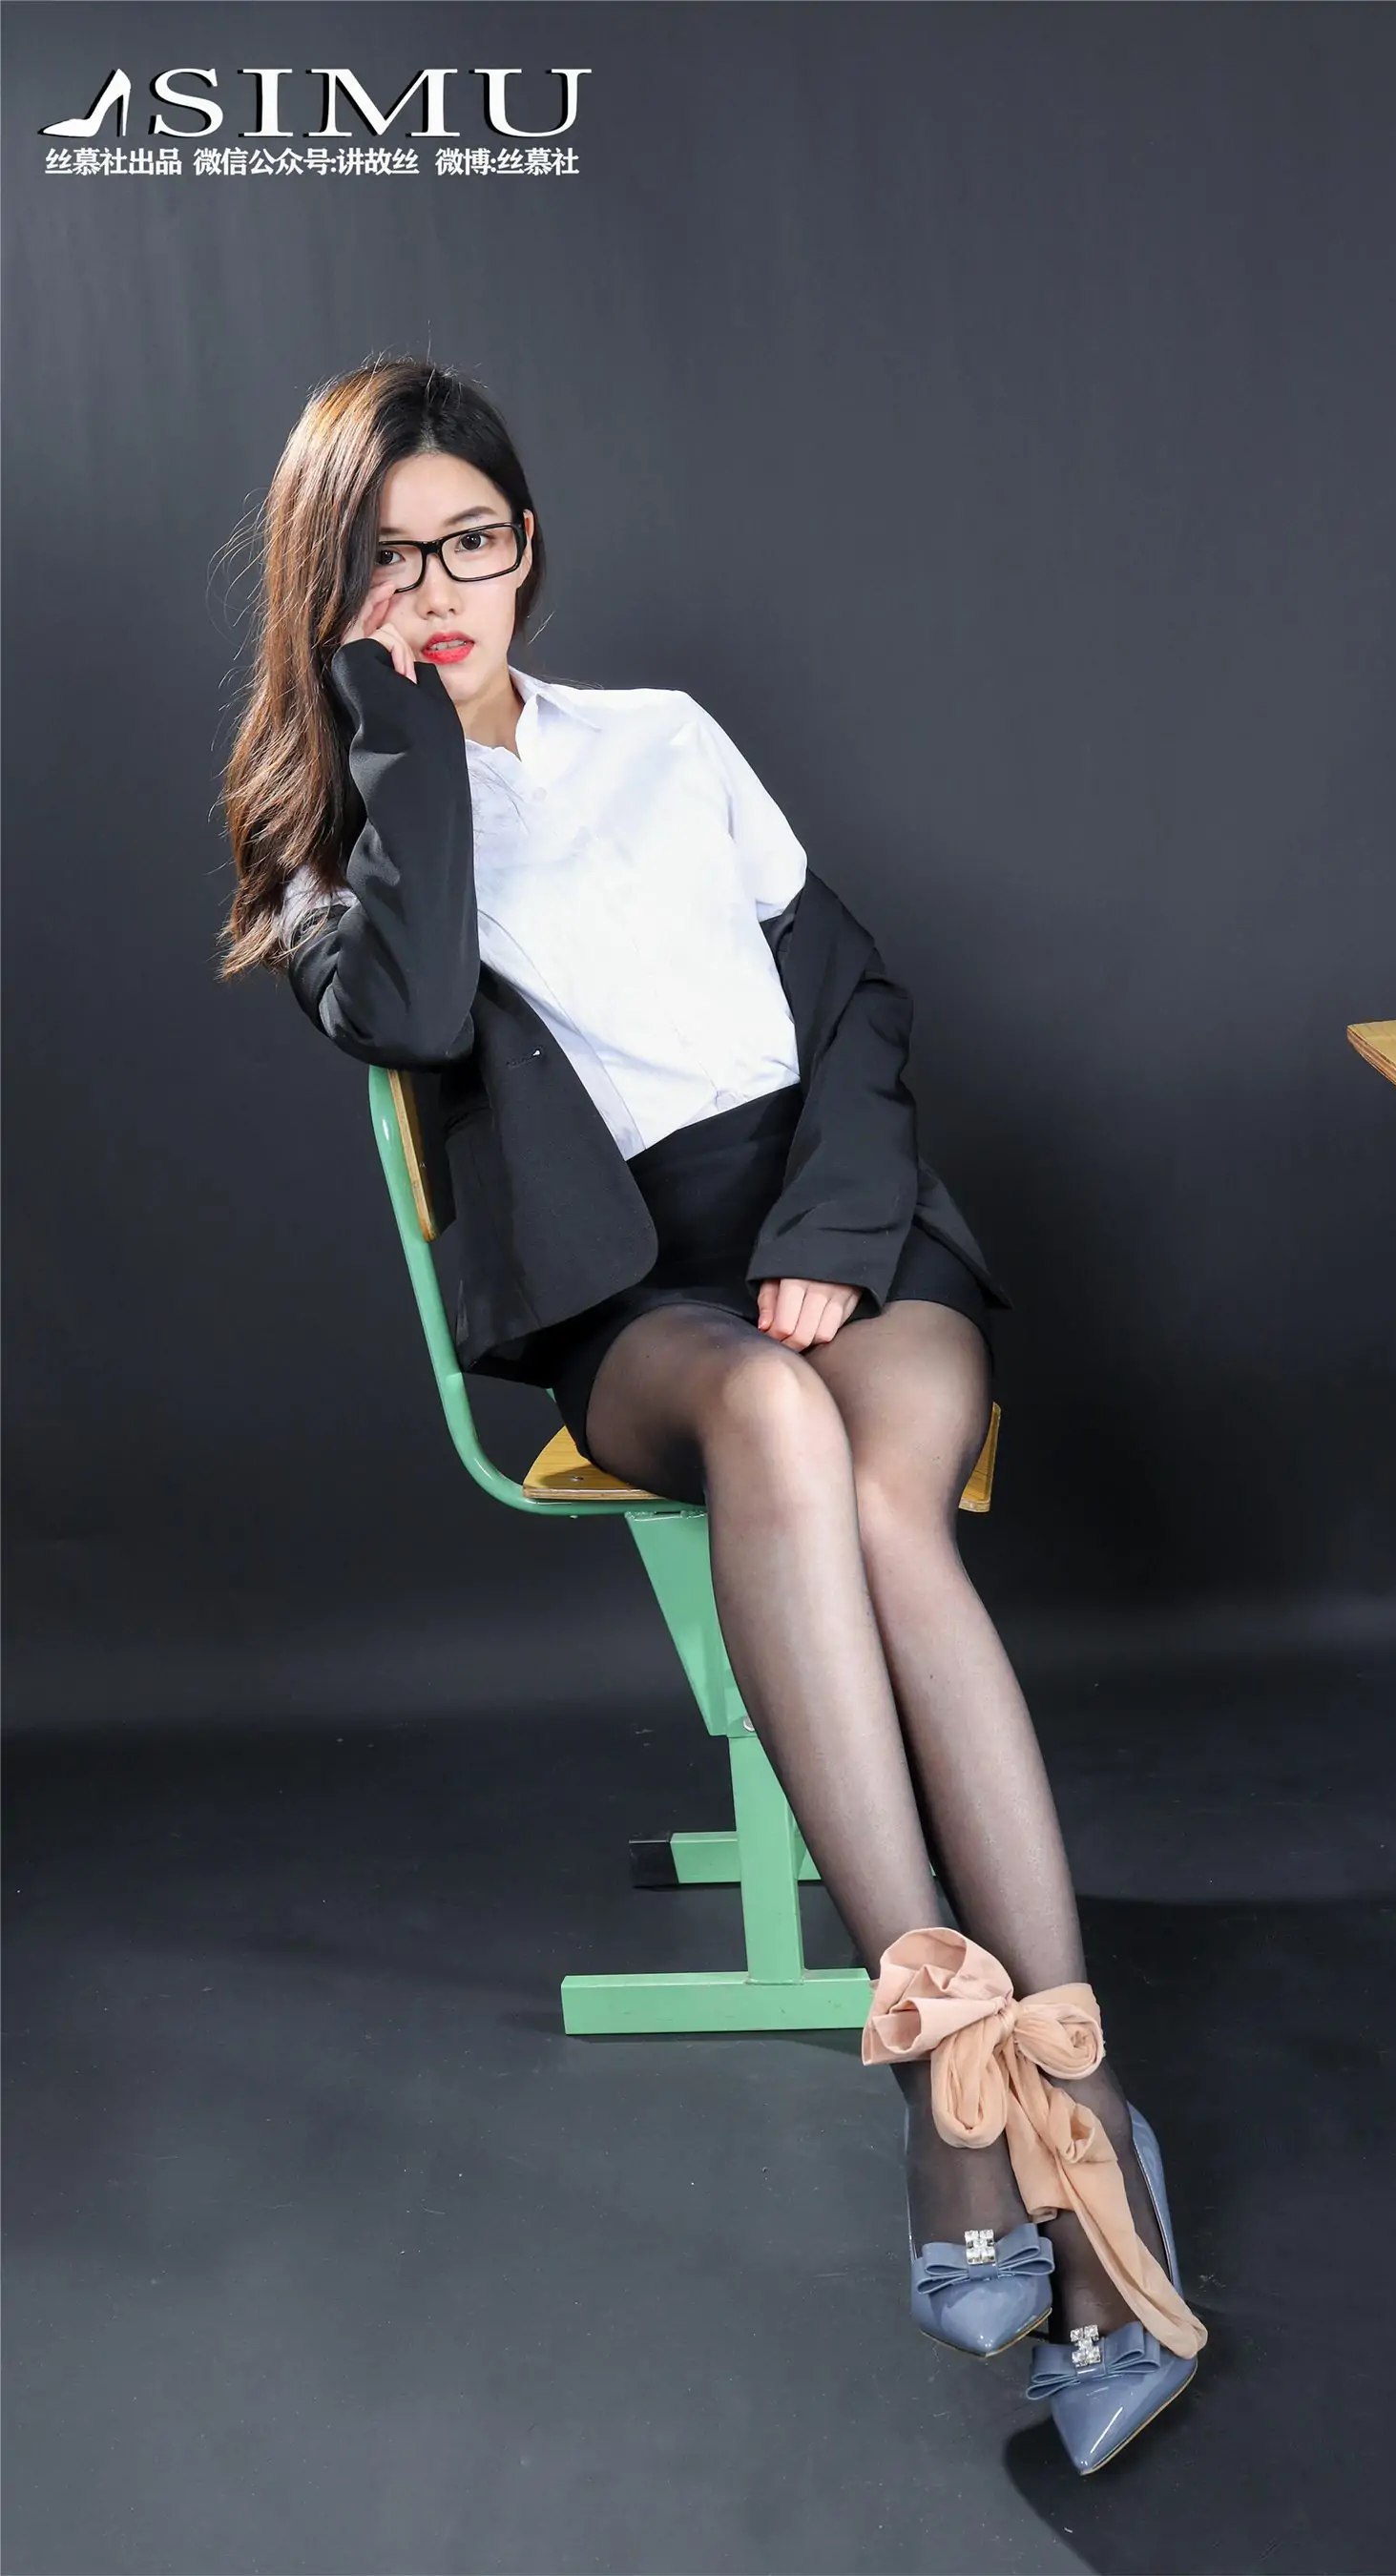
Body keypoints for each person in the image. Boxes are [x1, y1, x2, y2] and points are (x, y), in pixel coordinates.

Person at [217, 356, 1207, 2474]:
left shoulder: (664, 738)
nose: (442, 586)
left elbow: (854, 1002)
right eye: (389, 560)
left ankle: (1069, 2117)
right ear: (330, 588)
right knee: (767, 1417)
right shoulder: (327, 860)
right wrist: (403, 740)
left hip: (851, 1227)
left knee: (888, 1504)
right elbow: (413, 1007)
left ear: (530, 543)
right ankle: (956, 2081)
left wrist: (839, 1234)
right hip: (635, 1301)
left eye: (474, 542)